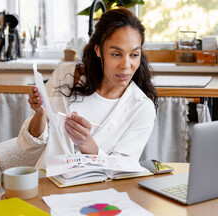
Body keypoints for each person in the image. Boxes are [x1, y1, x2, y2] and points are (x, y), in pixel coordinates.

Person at [17, 8, 158, 169]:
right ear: (98, 50)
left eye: (134, 55)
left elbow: (125, 168)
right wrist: (40, 114)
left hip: (100, 191)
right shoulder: (66, 77)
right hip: (49, 183)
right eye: (116, 54)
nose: (126, 65)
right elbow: (30, 145)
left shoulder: (142, 107)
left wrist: (89, 146)